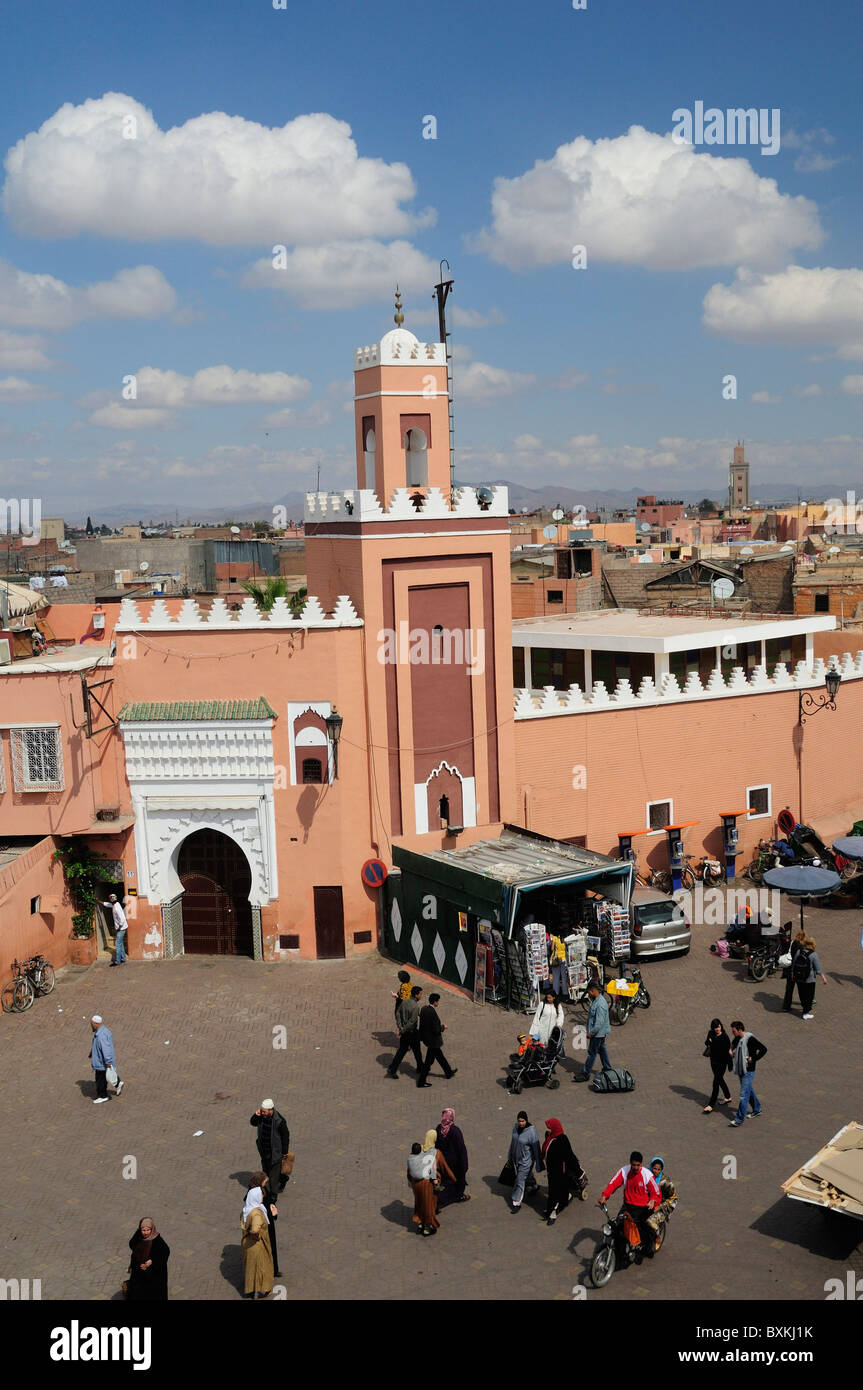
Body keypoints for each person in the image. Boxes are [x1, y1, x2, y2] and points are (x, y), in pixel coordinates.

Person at [598, 1150, 661, 1256]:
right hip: (627, 1206)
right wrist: (605, 1196)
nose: (635, 1167)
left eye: (638, 1165)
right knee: (617, 1227)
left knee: (643, 1227)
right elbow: (613, 1184)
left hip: (642, 1208)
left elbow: (656, 1192)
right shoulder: (624, 1171)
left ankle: (651, 1242)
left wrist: (653, 1201)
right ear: (630, 1163)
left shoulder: (647, 1175)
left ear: (641, 1164)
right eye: (633, 1165)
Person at [407, 1133, 455, 1236]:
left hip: (416, 1184)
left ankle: (420, 1222)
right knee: (429, 1204)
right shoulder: (435, 1153)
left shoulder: (418, 1152)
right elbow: (440, 1168)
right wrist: (452, 1178)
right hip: (427, 1184)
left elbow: (410, 1170)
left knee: (419, 1203)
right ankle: (428, 1227)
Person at [541, 1118, 584, 1225]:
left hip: (560, 1172)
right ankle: (564, 1199)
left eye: (549, 1128)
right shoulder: (550, 1139)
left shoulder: (562, 1140)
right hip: (552, 1172)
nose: (548, 1130)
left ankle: (552, 1213)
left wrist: (578, 1171)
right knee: (558, 1191)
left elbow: (570, 1156)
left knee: (553, 1193)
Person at [249, 1099, 290, 1200]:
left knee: (273, 1177)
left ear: (271, 1110)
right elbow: (253, 1123)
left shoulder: (280, 1121)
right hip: (264, 1151)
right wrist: (256, 1115)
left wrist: (284, 1151)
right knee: (267, 1172)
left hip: (275, 1152)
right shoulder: (262, 1117)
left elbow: (285, 1136)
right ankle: (283, 1178)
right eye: (262, 1110)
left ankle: (273, 1197)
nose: (262, 1112)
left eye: (264, 1111)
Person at [728, 1021, 767, 1126]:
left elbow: (763, 1049)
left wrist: (753, 1058)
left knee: (743, 1095)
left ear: (740, 1030)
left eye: (734, 1031)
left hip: (748, 1070)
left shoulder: (750, 1039)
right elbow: (733, 1043)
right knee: (748, 1090)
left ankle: (739, 1119)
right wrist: (731, 1049)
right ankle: (757, 1109)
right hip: (741, 1068)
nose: (733, 1033)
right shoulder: (738, 1037)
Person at [417, 992, 458, 1088]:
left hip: (428, 1039)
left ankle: (448, 1072)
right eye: (438, 1001)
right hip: (433, 1041)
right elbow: (436, 1029)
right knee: (428, 1063)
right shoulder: (432, 1013)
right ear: (435, 1002)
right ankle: (421, 1082)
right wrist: (443, 1027)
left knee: (440, 1056)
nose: (438, 1003)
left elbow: (423, 1024)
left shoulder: (424, 1009)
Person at [573, 981, 611, 1083]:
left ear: (593, 991)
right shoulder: (596, 1000)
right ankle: (607, 1068)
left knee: (592, 1053)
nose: (588, 994)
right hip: (599, 1033)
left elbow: (598, 1023)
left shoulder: (600, 1004)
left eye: (589, 992)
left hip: (597, 1034)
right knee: (602, 1049)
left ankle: (585, 1074)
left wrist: (591, 1033)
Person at [241, 1183, 273, 1298]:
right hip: (257, 1244)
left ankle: (250, 1288)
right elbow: (255, 1229)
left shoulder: (246, 1209)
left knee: (250, 1267)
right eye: (261, 1195)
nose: (262, 1197)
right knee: (260, 1267)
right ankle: (258, 1291)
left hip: (247, 1244)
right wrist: (256, 1234)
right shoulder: (256, 1214)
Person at [126, 1218, 170, 1301]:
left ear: (152, 1229)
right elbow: (132, 1244)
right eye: (143, 1230)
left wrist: (151, 1261)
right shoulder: (139, 1236)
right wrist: (138, 1233)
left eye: (148, 1230)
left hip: (153, 1276)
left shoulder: (157, 1240)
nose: (145, 1233)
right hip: (139, 1272)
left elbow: (165, 1253)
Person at [386, 985, 424, 1079]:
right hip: (411, 1032)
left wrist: (400, 1026)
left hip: (405, 1031)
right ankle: (393, 1069)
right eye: (420, 994)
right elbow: (412, 1022)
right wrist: (402, 1030)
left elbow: (398, 1013)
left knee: (410, 1050)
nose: (421, 996)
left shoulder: (405, 1001)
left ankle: (420, 1067)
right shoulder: (415, 1007)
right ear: (416, 995)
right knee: (410, 1051)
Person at [509, 1111, 543, 1212]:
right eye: (519, 1121)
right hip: (516, 1159)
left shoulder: (531, 1132)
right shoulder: (515, 1128)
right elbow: (513, 1142)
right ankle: (534, 1186)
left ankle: (516, 1202)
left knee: (519, 1180)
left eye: (522, 1121)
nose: (521, 1123)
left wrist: (538, 1163)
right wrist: (510, 1155)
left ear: (526, 1120)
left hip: (526, 1161)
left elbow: (536, 1148)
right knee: (526, 1176)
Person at [250, 1169, 281, 1279]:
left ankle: (274, 1269)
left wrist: (272, 1206)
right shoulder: (254, 1194)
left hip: (268, 1222)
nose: (266, 1183)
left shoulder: (263, 1189)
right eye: (265, 1181)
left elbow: (269, 1201)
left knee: (272, 1247)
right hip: (262, 1224)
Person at [435, 1108, 470, 1204]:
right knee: (459, 1178)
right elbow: (461, 1149)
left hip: (443, 1160)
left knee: (446, 1179)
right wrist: (464, 1164)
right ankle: (459, 1196)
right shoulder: (455, 1131)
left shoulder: (438, 1129)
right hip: (455, 1162)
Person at [88, 1015, 123, 1103]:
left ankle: (103, 1096)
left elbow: (106, 1049)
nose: (91, 1025)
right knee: (107, 1075)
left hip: (102, 1062)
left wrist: (108, 1062)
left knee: (100, 1080)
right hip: (102, 1061)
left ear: (95, 1023)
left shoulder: (101, 1036)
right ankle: (118, 1083)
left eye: (91, 1024)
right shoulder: (104, 1031)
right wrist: (92, 1052)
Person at [702, 1018, 732, 1113]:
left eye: (718, 1027)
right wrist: (709, 1042)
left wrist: (730, 1065)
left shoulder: (725, 1037)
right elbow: (706, 1042)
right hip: (713, 1062)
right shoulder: (711, 1033)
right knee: (719, 1079)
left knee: (716, 1083)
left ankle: (711, 1104)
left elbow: (727, 1052)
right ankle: (727, 1096)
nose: (717, 1029)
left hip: (722, 1063)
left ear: (721, 1026)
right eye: (715, 1027)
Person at [795, 935, 827, 1020]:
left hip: (799, 977)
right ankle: (806, 1012)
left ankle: (804, 1008)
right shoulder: (813, 954)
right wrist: (823, 977)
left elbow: (794, 964)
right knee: (809, 996)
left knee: (801, 994)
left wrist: (792, 974)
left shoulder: (799, 951)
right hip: (809, 979)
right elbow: (818, 968)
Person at [782, 926, 807, 1011]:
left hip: (789, 969)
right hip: (798, 970)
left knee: (789, 989)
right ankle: (806, 1004)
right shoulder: (802, 947)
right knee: (802, 989)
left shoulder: (792, 943)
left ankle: (786, 1006)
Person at [103, 894, 128, 965]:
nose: (112, 900)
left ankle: (117, 961)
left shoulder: (116, 907)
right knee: (121, 944)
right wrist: (100, 902)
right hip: (120, 928)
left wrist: (119, 927)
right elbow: (108, 904)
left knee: (117, 944)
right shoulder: (115, 904)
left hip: (121, 928)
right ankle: (123, 958)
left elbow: (122, 919)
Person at [549, 932, 569, 999]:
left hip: (556, 959)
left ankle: (556, 993)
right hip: (564, 959)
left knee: (556, 977)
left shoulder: (555, 938)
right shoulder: (565, 938)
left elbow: (552, 949)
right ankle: (565, 993)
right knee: (564, 977)